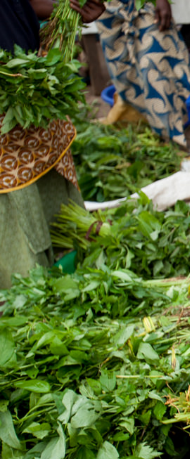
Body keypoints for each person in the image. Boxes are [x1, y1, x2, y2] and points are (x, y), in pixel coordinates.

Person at [0, 0, 105, 289]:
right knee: (12, 193)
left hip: (28, 78)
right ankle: (24, 295)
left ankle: (59, 278)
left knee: (45, 185)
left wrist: (67, 8)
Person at [95, 0, 190, 146]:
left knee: (155, 64)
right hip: (108, 6)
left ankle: (171, 139)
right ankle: (142, 133)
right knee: (124, 73)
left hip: (144, 4)